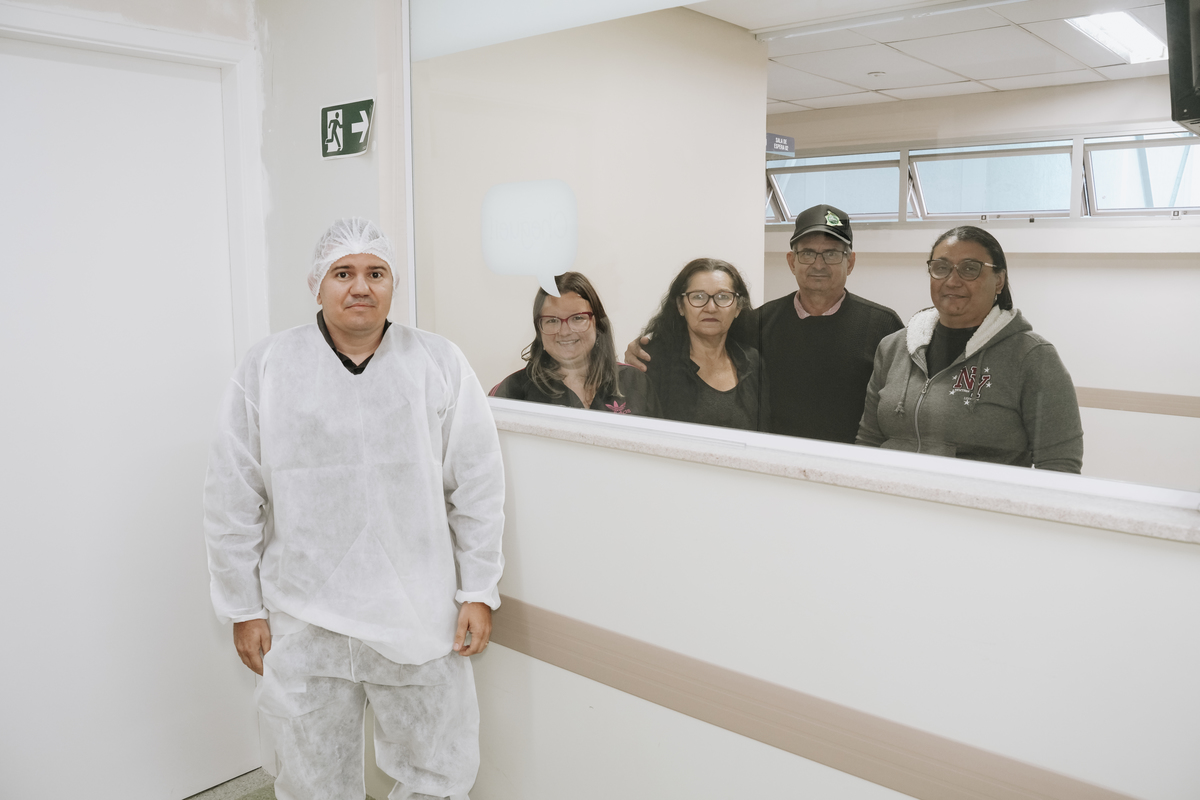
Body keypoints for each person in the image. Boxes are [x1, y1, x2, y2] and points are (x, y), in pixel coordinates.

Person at [204, 218, 505, 800]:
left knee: (436, 774)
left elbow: (477, 485)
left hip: (417, 611)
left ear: (393, 284)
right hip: (304, 614)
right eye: (343, 273)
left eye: (376, 273)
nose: (361, 287)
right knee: (311, 779)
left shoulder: (437, 362)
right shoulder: (269, 367)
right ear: (317, 284)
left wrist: (477, 590)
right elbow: (232, 495)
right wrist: (242, 606)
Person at [625, 204, 902, 443]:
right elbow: (707, 338)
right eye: (807, 253)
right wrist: (645, 348)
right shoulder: (758, 322)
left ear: (850, 262)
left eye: (832, 254)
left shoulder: (883, 326)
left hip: (850, 470)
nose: (819, 264)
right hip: (773, 469)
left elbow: (898, 407)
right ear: (791, 261)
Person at [856, 225, 1083, 472]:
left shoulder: (1032, 357)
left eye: (970, 269)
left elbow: (1060, 464)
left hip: (980, 498)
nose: (952, 281)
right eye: (941, 268)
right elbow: (869, 441)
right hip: (891, 494)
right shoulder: (893, 348)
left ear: (999, 281)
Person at [491, 271, 661, 416]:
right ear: (539, 329)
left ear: (597, 323)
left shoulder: (634, 382)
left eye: (578, 318)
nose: (564, 331)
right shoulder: (512, 392)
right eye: (552, 320)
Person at [639, 258, 767, 430]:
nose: (711, 308)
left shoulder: (753, 361)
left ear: (738, 307)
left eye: (723, 297)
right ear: (680, 306)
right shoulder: (653, 361)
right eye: (698, 297)